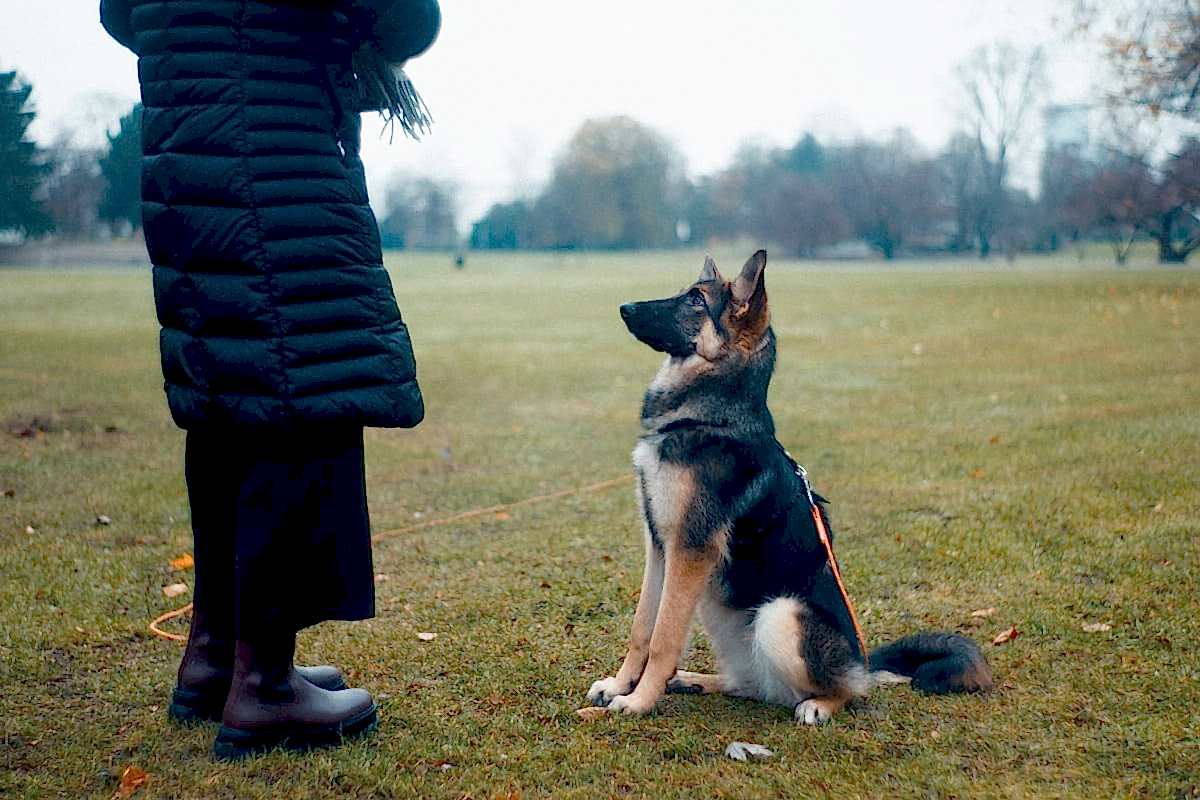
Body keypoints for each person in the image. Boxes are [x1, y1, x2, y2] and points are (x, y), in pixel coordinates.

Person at [99, 0, 440, 760]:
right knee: (300, 391)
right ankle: (267, 686)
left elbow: (120, 13)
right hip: (275, 154)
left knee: (233, 393)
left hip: (187, 151)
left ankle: (217, 656)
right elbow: (406, 18)